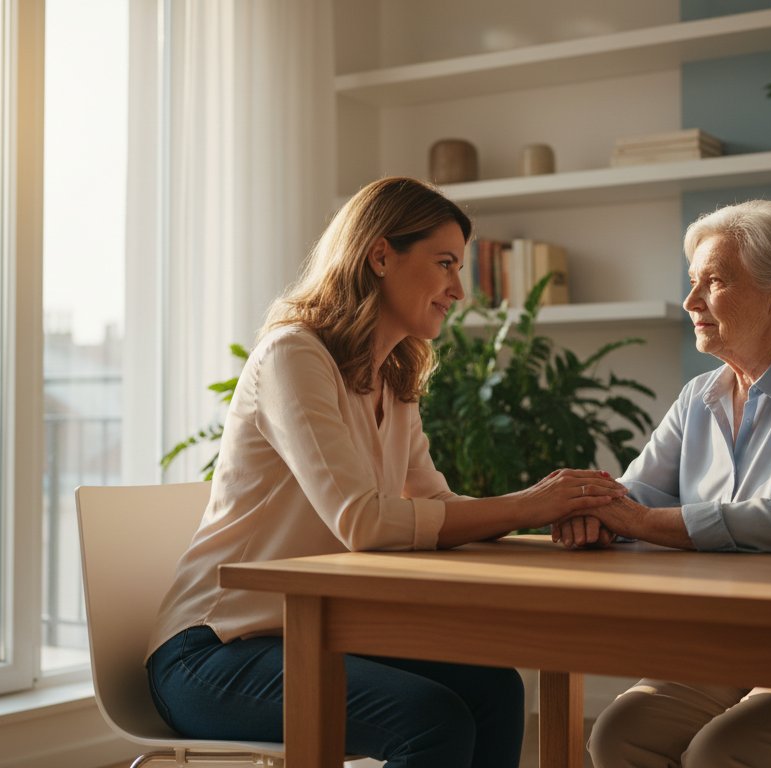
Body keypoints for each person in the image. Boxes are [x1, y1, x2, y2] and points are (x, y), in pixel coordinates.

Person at [145, 176, 626, 768]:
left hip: (309, 636)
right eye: (445, 263)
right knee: (433, 720)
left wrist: (555, 512)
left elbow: (437, 504)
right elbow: (364, 522)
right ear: (379, 255)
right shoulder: (293, 355)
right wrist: (527, 503)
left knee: (496, 691)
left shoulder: (392, 376)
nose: (458, 290)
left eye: (460, 268)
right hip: (214, 651)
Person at [554, 200, 771, 767]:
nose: (691, 301)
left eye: (715, 282)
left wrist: (636, 520)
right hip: (734, 648)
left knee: (718, 754)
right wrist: (594, 512)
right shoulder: (698, 396)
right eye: (692, 282)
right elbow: (629, 498)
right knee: (617, 734)